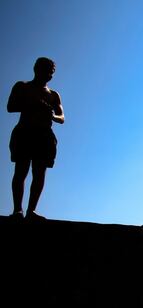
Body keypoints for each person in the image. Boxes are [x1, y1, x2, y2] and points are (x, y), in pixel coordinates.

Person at [7, 57, 64, 220]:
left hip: (44, 135)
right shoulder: (22, 86)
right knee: (21, 171)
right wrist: (32, 105)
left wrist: (53, 115)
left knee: (39, 173)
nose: (49, 75)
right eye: (47, 70)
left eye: (52, 72)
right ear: (36, 69)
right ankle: (17, 210)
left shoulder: (54, 95)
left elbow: (62, 117)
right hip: (25, 131)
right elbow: (10, 106)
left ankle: (31, 211)